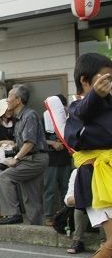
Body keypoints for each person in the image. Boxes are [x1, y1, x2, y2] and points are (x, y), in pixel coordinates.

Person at [63, 53, 112, 258]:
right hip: (96, 177)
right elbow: (76, 133)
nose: (109, 83)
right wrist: (95, 96)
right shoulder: (77, 107)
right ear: (85, 80)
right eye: (105, 78)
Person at [0, 85, 49, 225]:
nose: (7, 100)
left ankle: (13, 214)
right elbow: (24, 143)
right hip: (32, 158)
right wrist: (14, 149)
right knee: (31, 197)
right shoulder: (19, 117)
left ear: (18, 100)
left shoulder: (29, 115)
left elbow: (30, 143)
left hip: (35, 159)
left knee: (5, 177)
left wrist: (16, 158)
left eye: (9, 96)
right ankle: (36, 229)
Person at [42, 94, 72, 226]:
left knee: (66, 189)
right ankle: (48, 216)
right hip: (51, 160)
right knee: (50, 189)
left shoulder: (69, 117)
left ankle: (65, 215)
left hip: (66, 159)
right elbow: (38, 139)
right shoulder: (44, 117)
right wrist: (53, 143)